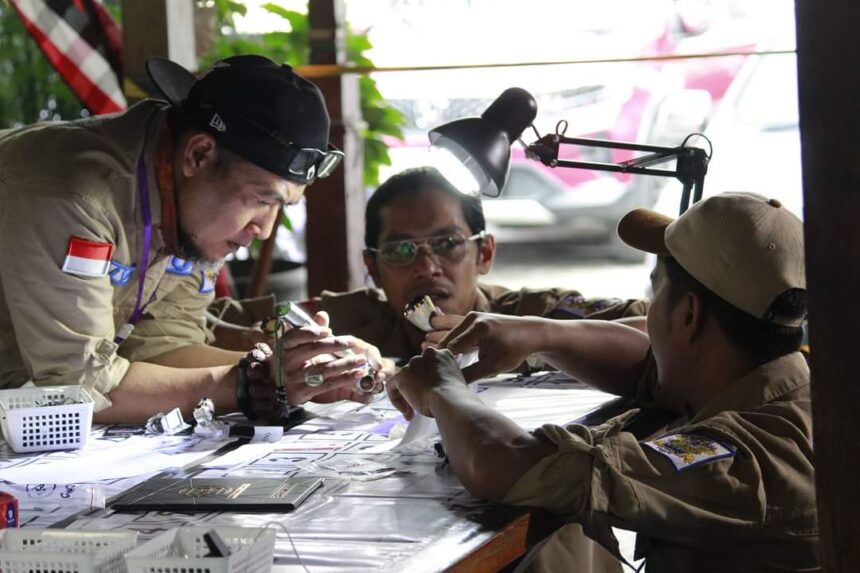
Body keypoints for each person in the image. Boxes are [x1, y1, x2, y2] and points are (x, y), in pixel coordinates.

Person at [389, 192, 818, 571]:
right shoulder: (782, 386)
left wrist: (442, 387)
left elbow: (509, 464)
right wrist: (538, 334)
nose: (647, 315)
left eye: (656, 293)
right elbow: (642, 361)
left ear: (688, 315)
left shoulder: (745, 459)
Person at [0, 54, 388, 424]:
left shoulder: (191, 205)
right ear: (199, 155)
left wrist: (299, 371)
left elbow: (161, 346)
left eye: (281, 207)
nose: (264, 229)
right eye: (261, 200)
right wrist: (255, 385)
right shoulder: (70, 195)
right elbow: (81, 386)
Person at [213, 167, 647, 360]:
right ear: (372, 267)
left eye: (448, 244)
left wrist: (541, 340)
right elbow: (204, 324)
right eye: (401, 251)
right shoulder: (343, 320)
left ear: (485, 254)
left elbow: (651, 327)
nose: (427, 266)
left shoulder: (531, 314)